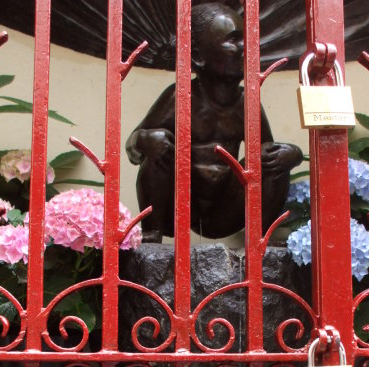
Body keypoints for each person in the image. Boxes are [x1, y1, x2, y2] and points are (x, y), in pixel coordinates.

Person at [126, 2, 303, 242]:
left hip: (227, 208)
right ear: (198, 56)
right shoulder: (179, 97)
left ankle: (262, 237)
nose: (245, 48)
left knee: (270, 157)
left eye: (246, 41)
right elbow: (133, 149)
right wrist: (144, 139)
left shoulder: (247, 104)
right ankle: (152, 231)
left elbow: (267, 155)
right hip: (182, 207)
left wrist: (293, 154)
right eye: (233, 40)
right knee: (157, 147)